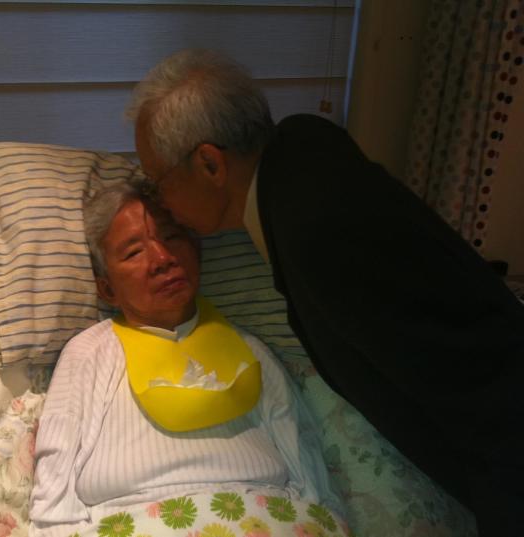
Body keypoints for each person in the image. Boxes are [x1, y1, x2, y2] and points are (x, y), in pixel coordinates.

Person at [126, 49, 524, 536]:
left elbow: (472, 392)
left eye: (158, 182)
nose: (161, 203)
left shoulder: (316, 231)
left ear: (211, 164)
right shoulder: (301, 139)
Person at [28, 181, 347, 537]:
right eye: (134, 253)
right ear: (107, 289)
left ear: (197, 251)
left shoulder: (250, 349)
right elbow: (54, 487)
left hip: (264, 518)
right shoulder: (89, 353)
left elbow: (305, 462)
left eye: (172, 237)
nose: (162, 259)